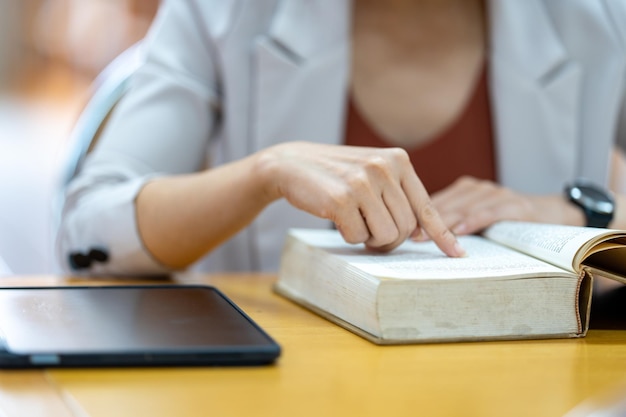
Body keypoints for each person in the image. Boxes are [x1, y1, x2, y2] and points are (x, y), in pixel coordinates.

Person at [57, 0, 626, 276]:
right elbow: (87, 235)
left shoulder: (599, 18)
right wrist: (266, 172)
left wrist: (583, 213)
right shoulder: (221, 12)